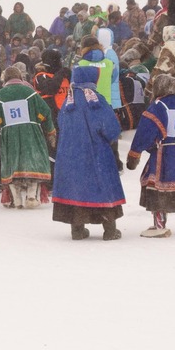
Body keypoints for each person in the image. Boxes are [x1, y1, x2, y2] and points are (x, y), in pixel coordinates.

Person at [51, 65, 125, 240]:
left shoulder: (68, 101)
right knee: (102, 187)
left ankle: (77, 229)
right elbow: (110, 128)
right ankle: (109, 230)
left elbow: (61, 124)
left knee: (75, 189)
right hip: (96, 154)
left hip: (70, 155)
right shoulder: (95, 99)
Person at [126, 74, 175, 238]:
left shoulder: (158, 106)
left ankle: (160, 225)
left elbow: (145, 133)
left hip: (164, 153)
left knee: (158, 186)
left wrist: (135, 154)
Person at [0, 64, 56, 209]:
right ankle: (32, 195)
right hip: (31, 133)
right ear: (20, 77)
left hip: (10, 135)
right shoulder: (29, 91)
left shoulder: (0, 95)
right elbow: (45, 111)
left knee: (12, 165)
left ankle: (17, 199)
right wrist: (48, 129)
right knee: (31, 162)